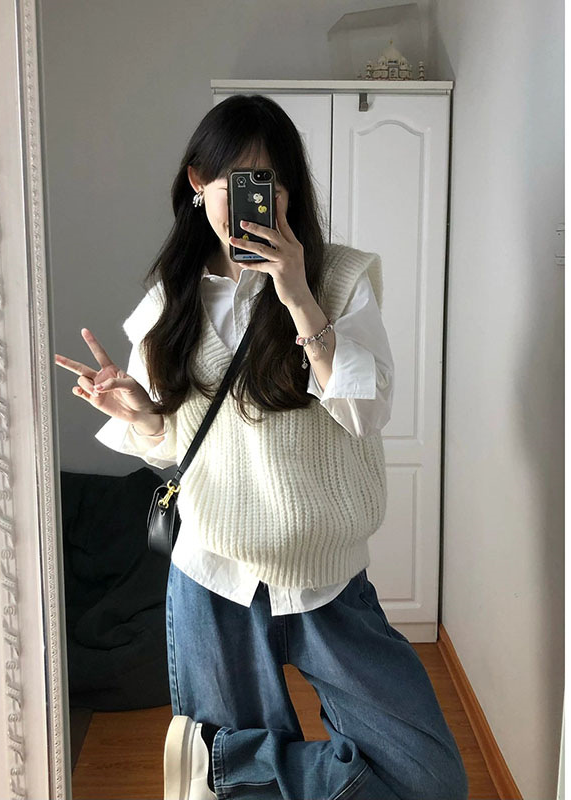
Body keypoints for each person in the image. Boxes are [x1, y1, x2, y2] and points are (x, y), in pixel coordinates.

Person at [55, 95, 468, 800]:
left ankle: (220, 766)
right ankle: (229, 772)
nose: (255, 198)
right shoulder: (167, 306)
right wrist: (141, 414)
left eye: (270, 181)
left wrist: (299, 296)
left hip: (327, 579)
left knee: (431, 781)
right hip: (215, 579)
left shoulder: (338, 280)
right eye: (236, 181)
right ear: (198, 183)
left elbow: (366, 413)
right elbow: (176, 449)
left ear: (290, 191)